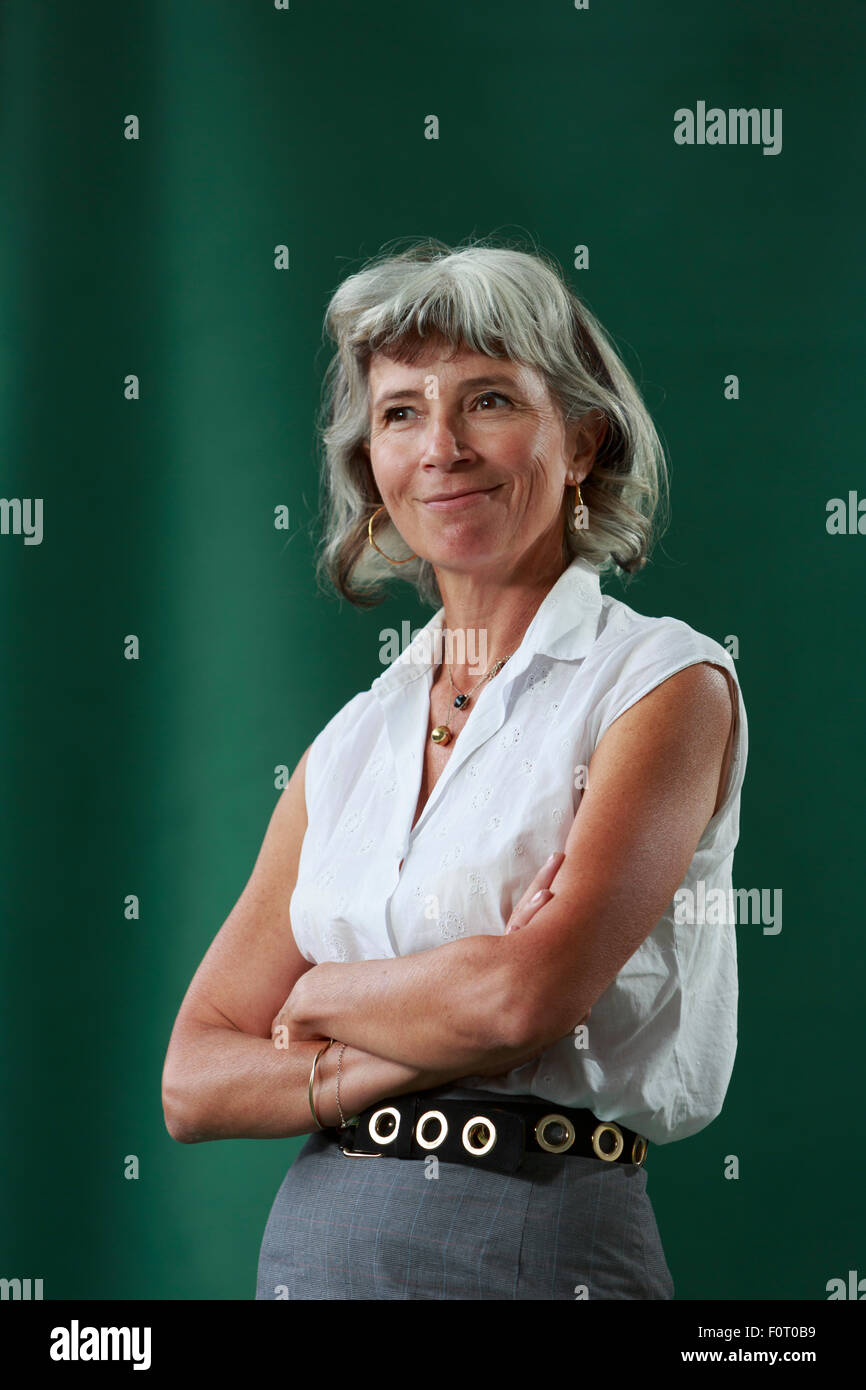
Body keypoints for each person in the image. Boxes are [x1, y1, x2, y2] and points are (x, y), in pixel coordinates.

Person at [162, 238, 747, 1301]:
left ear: (579, 440)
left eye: (486, 401)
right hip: (314, 1250)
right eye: (398, 412)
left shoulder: (661, 683)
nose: (440, 448)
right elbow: (193, 1078)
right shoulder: (350, 744)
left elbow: (523, 998)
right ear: (369, 468)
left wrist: (322, 992)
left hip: (536, 1245)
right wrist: (395, 1048)